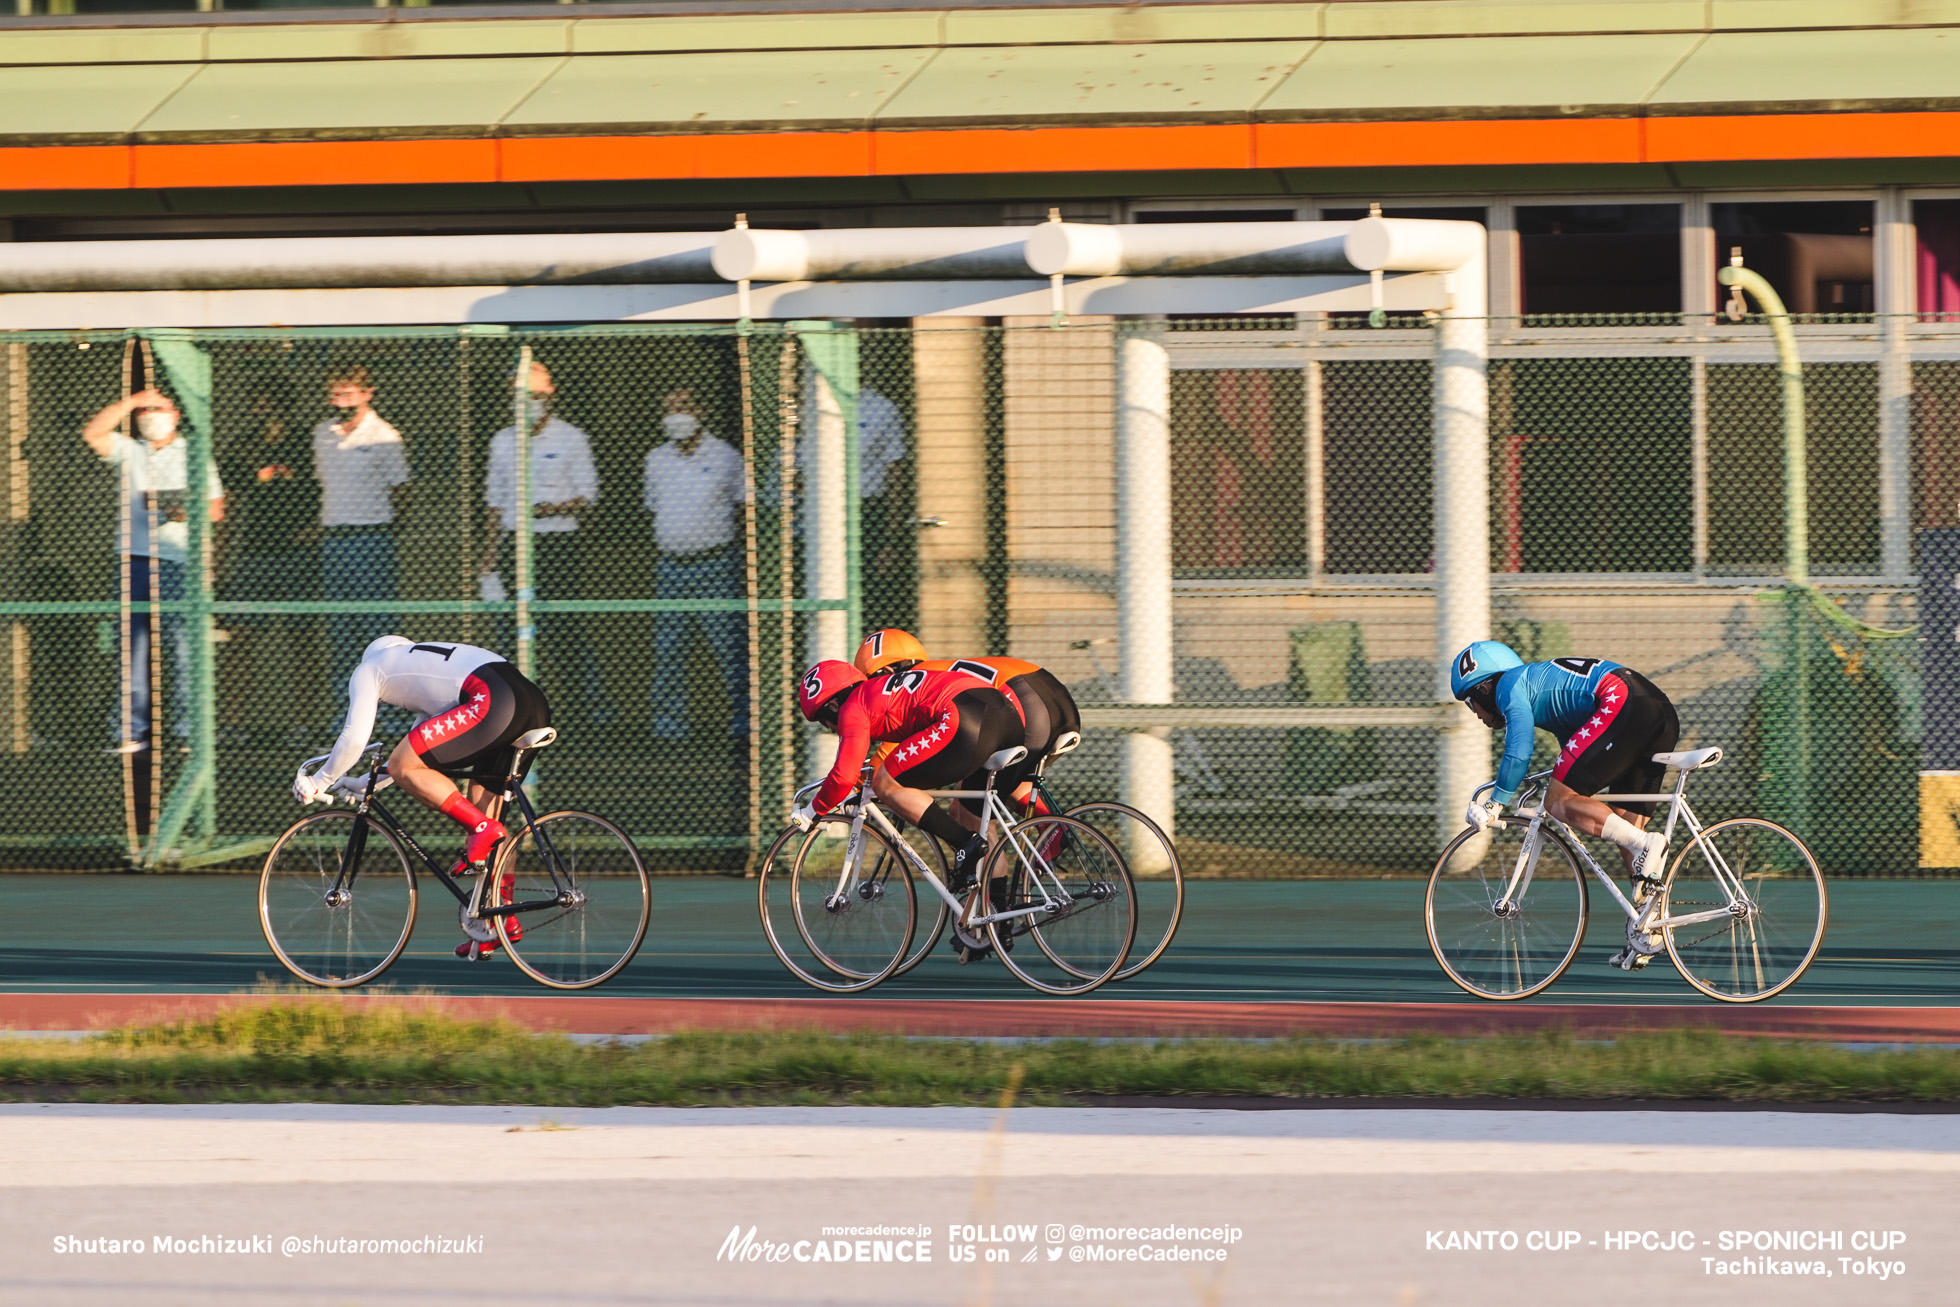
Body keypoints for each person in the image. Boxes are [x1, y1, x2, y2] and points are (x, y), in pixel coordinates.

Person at [293, 634, 550, 961]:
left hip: (492, 699)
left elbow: (355, 739)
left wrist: (320, 781)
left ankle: (483, 831)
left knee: (482, 826)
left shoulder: (370, 668)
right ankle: (498, 920)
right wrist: (363, 782)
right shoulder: (428, 664)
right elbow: (413, 754)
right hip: (528, 701)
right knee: (487, 821)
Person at [1451, 640, 1681, 959]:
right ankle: (1650, 927)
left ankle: (1647, 847)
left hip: (1621, 702)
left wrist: (1494, 804)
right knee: (1627, 831)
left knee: (1559, 801)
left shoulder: (1508, 686)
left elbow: (1518, 752)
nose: (1474, 712)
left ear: (1484, 688)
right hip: (1653, 706)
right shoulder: (1538, 685)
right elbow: (1576, 758)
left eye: (1469, 701)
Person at [82, 387, 225, 772]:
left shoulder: (194, 452)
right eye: (144, 410)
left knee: (183, 647)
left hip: (180, 561)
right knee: (133, 647)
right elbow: (92, 434)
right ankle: (132, 730)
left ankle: (185, 730)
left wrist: (181, 509)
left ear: (175, 414)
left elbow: (215, 510)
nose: (150, 416)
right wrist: (128, 402)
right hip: (134, 561)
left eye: (157, 409)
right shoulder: (131, 450)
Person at [792, 658, 1025, 892]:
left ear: (833, 705)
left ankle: (964, 842)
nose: (832, 729)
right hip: (1006, 713)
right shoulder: (881, 689)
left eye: (825, 723)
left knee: (885, 781)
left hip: (963, 716)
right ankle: (999, 921)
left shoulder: (853, 706)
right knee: (973, 819)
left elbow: (844, 775)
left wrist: (813, 811)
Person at [482, 359, 611, 723]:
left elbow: (589, 495)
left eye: (534, 394)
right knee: (510, 628)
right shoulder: (502, 440)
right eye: (520, 395)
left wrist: (550, 508)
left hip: (557, 542)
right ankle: (514, 710)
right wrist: (491, 552)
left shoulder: (572, 437)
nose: (527, 401)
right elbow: (495, 499)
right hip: (513, 541)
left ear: (550, 395)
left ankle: (584, 709)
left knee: (562, 629)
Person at [851, 628, 1081, 830]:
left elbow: (892, 748)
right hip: (1053, 698)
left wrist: (858, 784)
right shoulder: (937, 669)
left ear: (886, 675)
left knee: (970, 819)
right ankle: (1050, 826)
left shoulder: (907, 686)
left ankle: (990, 876)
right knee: (981, 793)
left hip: (1024, 705)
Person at [642, 388, 748, 741]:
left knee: (728, 645)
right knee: (668, 648)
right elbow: (654, 507)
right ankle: (670, 725)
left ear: (700, 411)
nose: (676, 416)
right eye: (668, 409)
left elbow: (743, 509)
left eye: (684, 407)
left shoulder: (726, 456)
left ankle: (744, 719)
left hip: (716, 564)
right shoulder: (656, 459)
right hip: (669, 566)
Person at [313, 365, 410, 685]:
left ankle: (393, 713)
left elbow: (402, 490)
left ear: (367, 394)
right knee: (340, 629)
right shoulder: (322, 433)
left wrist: (386, 528)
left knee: (378, 629)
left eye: (348, 394)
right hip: (333, 539)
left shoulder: (385, 436)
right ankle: (349, 712)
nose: (340, 402)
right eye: (334, 395)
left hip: (370, 538)